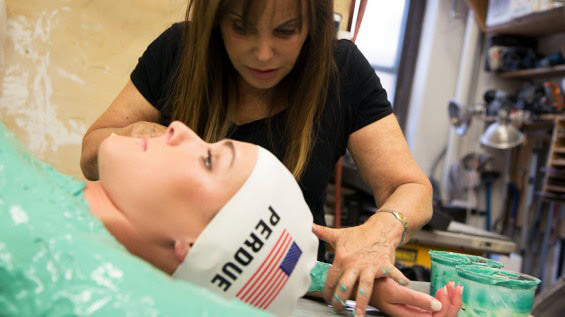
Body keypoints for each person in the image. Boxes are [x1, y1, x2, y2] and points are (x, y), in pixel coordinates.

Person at [80, 1, 434, 315]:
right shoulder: (178, 51)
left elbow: (410, 187)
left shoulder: (342, 72)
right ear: (216, 20)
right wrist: (132, 136)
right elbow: (93, 151)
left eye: (286, 31)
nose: (263, 53)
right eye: (241, 27)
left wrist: (375, 238)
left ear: (312, 24)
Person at [1, 121, 461, 316]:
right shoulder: (66, 215)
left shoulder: (47, 256)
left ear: (191, 245)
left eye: (206, 160)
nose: (178, 129)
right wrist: (347, 284)